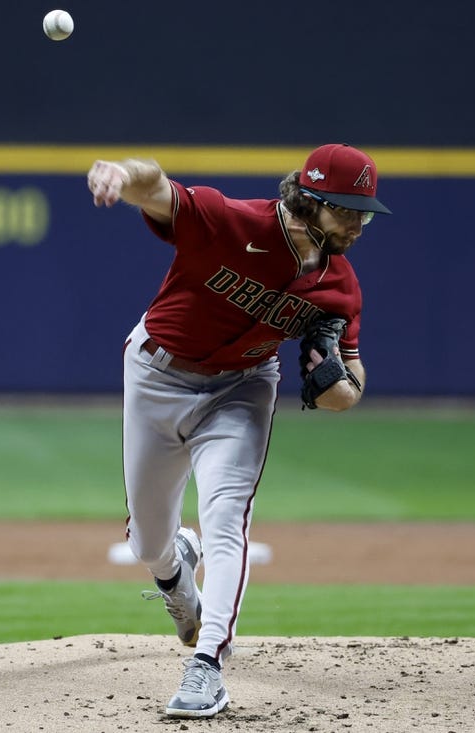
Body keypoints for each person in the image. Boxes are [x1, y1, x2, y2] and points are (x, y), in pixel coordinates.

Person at [86, 143, 391, 718]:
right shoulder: (230, 222)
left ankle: (207, 665)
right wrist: (122, 174)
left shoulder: (341, 286)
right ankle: (175, 571)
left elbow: (349, 386)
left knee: (228, 516)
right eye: (346, 209)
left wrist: (333, 382)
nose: (357, 223)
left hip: (243, 387)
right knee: (146, 542)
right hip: (157, 374)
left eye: (364, 212)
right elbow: (157, 187)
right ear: (309, 199)